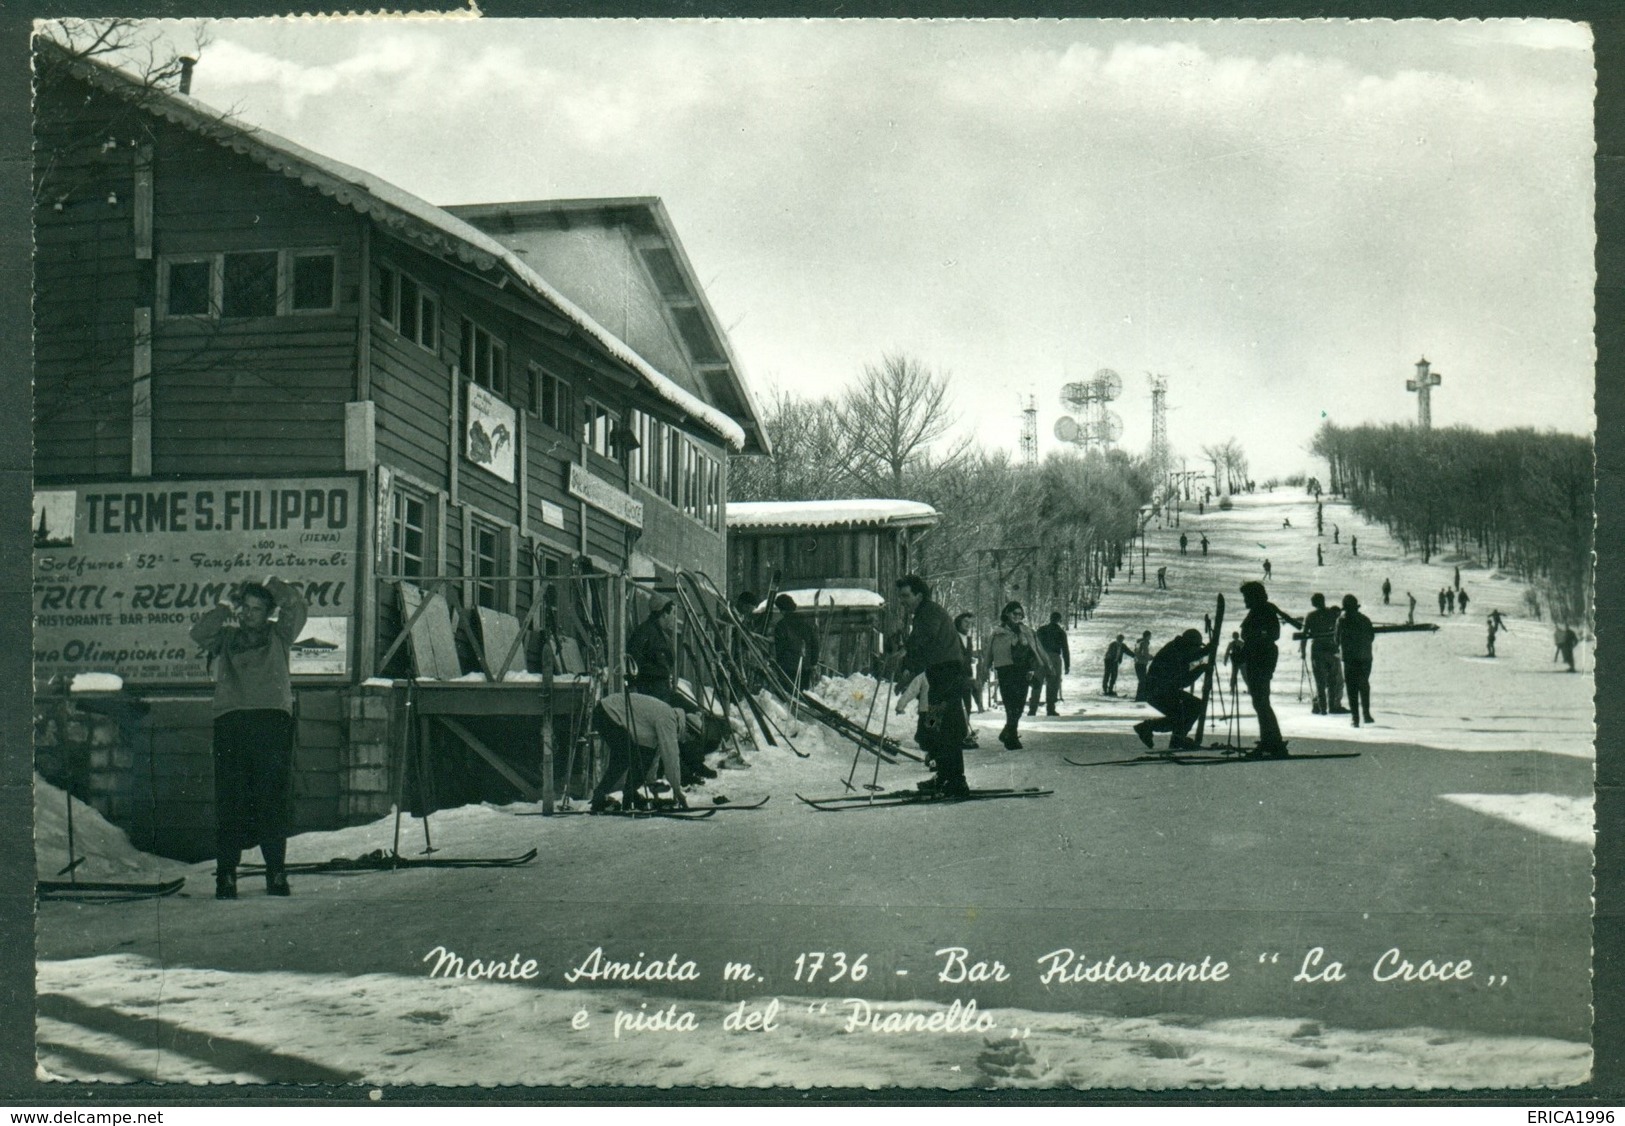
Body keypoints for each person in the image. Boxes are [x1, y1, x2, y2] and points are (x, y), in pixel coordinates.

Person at [190, 577, 308, 900]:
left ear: (268, 612)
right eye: (246, 608)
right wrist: (225, 606)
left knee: (272, 798)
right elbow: (198, 633)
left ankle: (276, 873)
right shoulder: (226, 638)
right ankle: (226, 876)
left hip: (272, 721)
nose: (250, 614)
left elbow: (296, 608)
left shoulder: (279, 635)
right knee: (230, 799)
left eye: (258, 609)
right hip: (232, 722)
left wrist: (274, 586)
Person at [895, 575, 972, 795]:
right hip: (938, 675)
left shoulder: (928, 613)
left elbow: (922, 641)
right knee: (935, 726)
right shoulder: (924, 613)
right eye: (900, 596)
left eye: (906, 595)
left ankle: (956, 781)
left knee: (944, 726)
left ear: (919, 595)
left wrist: (905, 659)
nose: (902, 600)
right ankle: (945, 776)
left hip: (946, 675)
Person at [590, 691, 696, 812]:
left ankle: (629, 796)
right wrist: (677, 791)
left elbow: (651, 756)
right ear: (686, 728)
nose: (685, 740)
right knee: (624, 756)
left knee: (637, 755)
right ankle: (602, 797)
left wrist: (652, 783)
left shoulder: (666, 718)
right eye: (689, 737)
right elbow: (671, 756)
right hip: (607, 712)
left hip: (605, 712)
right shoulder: (668, 719)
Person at [981, 600, 1050, 751]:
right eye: (1015, 613)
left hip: (1023, 671)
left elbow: (1037, 648)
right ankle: (1011, 737)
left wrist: (1047, 665)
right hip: (1005, 670)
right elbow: (988, 652)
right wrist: (984, 668)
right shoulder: (998, 632)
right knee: (1010, 703)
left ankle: (1008, 731)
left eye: (1020, 614)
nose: (1018, 616)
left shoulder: (1026, 631)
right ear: (1007, 613)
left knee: (1019, 703)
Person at [1132, 629, 1210, 751]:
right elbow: (1183, 681)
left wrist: (1205, 652)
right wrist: (1201, 668)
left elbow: (1190, 656)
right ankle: (1177, 738)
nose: (1196, 650)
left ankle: (1150, 728)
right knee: (1194, 706)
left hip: (1158, 691)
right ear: (1189, 645)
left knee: (1179, 716)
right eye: (1195, 647)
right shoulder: (1175, 654)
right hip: (1158, 692)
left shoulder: (1177, 647)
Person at [1239, 580, 1289, 757]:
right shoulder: (1260, 610)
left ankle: (1273, 742)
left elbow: (1271, 635)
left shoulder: (1264, 611)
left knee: (1261, 700)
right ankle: (1270, 740)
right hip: (1258, 658)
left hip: (1261, 659)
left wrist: (1249, 647)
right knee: (1259, 701)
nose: (1244, 600)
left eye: (1246, 597)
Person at [1300, 593, 1347, 715]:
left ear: (1314, 603)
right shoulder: (1333, 614)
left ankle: (1322, 708)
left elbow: (1304, 635)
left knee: (1320, 680)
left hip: (1318, 650)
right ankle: (1332, 707)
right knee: (1332, 680)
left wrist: (1303, 651)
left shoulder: (1311, 616)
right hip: (1332, 649)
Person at [1335, 594, 1376, 728]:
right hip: (1365, 658)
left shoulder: (1341, 620)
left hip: (1350, 658)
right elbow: (1371, 637)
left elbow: (1336, 640)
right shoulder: (1365, 619)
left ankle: (1355, 718)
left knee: (1352, 687)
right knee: (1364, 684)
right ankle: (1366, 714)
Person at [628, 595, 677, 701]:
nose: (674, 618)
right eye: (673, 613)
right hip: (649, 693)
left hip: (662, 692)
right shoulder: (644, 632)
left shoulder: (663, 636)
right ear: (664, 614)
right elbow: (633, 662)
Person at [771, 594, 820, 689]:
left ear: (782, 609)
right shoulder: (807, 623)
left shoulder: (781, 625)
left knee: (789, 696)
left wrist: (779, 665)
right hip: (805, 667)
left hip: (788, 668)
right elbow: (815, 644)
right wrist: (813, 662)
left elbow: (780, 648)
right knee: (803, 695)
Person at [1028, 611, 1071, 716]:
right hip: (1054, 659)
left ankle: (1032, 709)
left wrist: (1031, 661)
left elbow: (1034, 646)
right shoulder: (1061, 632)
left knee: (1037, 683)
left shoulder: (1041, 630)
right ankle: (1050, 709)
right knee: (1053, 684)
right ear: (1059, 620)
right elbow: (1065, 649)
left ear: (1050, 618)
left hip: (1041, 658)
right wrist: (1067, 665)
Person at [954, 611, 984, 716]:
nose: (968, 625)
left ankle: (965, 730)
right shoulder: (952, 638)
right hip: (953, 678)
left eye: (970, 623)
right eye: (966, 622)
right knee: (955, 708)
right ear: (958, 622)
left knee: (967, 707)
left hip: (967, 679)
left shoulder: (969, 640)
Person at [1223, 630, 1244, 696]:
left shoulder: (1232, 644)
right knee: (1244, 675)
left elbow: (1227, 652)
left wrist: (1225, 660)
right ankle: (1232, 689)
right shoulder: (1241, 643)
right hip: (1241, 662)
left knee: (1234, 675)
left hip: (1237, 662)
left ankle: (1232, 689)